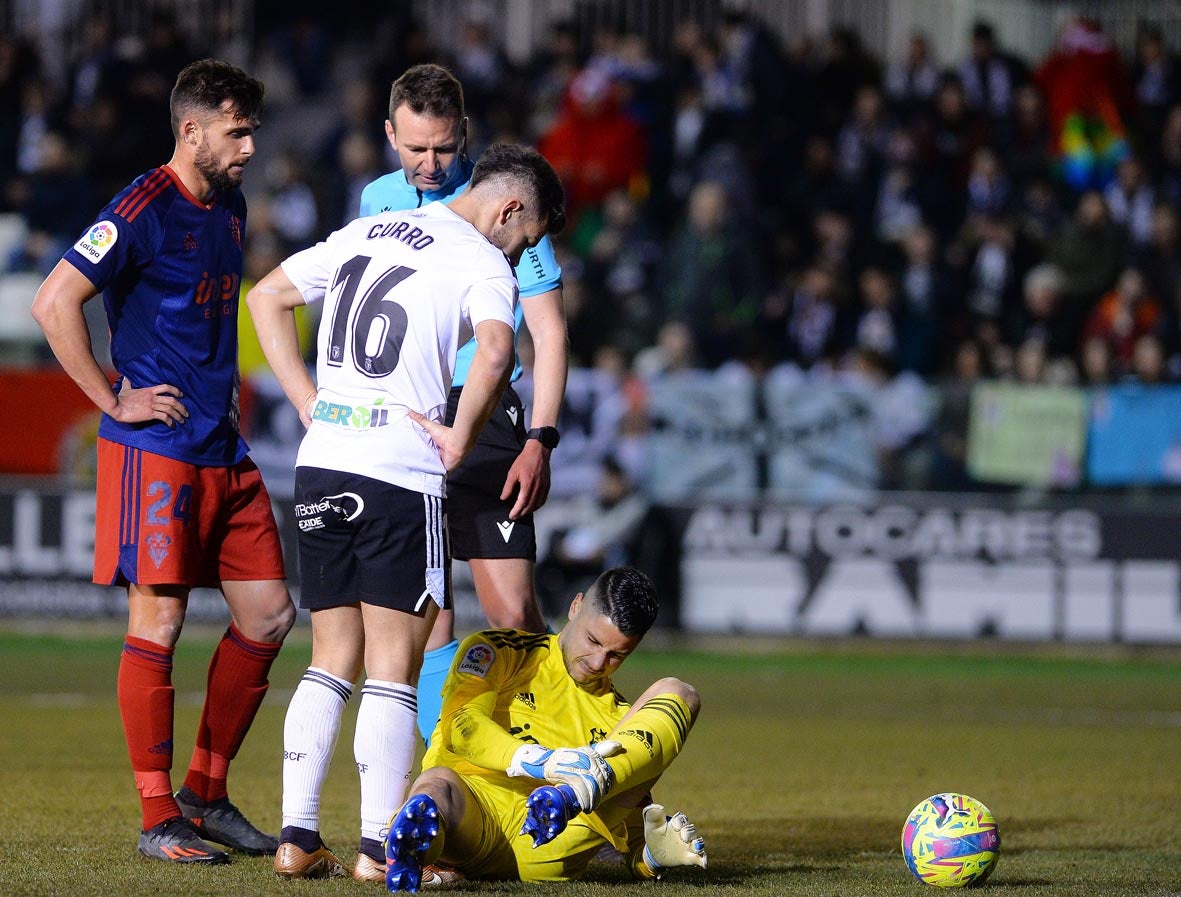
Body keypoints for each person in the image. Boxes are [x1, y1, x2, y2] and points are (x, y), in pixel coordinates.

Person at [245, 142, 567, 882]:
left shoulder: (370, 229)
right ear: (509, 208)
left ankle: (296, 837)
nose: (519, 254)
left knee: (330, 656)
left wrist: (305, 401)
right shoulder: (482, 259)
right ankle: (376, 848)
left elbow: (265, 297)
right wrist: (459, 433)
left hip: (323, 458)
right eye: (526, 239)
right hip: (400, 468)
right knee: (392, 667)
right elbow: (494, 351)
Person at [30, 59, 296, 865]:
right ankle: (158, 818)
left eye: (253, 129)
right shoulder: (139, 206)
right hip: (157, 450)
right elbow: (53, 301)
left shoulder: (232, 204)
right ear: (192, 130)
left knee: (270, 616)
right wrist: (113, 399)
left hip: (223, 445)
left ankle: (205, 796)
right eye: (236, 131)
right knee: (161, 620)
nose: (250, 146)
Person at [358, 63, 567, 745]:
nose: (428, 163)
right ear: (390, 134)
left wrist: (540, 436)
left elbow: (549, 332)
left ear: (464, 137)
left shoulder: (505, 204)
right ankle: (446, 767)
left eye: (443, 148)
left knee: (513, 606)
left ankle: (544, 759)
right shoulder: (376, 202)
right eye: (414, 148)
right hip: (405, 416)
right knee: (429, 612)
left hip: (488, 420)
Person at [382, 566, 707, 891]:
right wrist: (543, 762)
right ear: (575, 606)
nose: (597, 662)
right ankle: (416, 842)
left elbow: (634, 821)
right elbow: (463, 727)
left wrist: (652, 856)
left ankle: (574, 793)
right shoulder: (500, 650)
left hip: (554, 843)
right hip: (472, 815)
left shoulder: (623, 719)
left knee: (680, 693)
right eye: (592, 641)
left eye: (616, 655)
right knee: (437, 786)